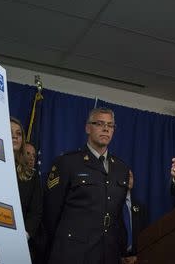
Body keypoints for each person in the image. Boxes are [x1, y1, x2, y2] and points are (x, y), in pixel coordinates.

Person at [44, 107, 129, 264]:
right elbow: (51, 212)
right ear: (87, 128)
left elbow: (118, 215)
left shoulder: (121, 168)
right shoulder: (68, 162)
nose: (105, 129)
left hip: (108, 253)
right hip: (73, 253)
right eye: (100, 123)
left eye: (110, 126)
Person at [10, 117, 43, 262]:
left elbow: (36, 211)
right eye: (10, 132)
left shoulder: (32, 176)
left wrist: (24, 235)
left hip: (19, 243)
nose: (14, 136)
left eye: (18, 133)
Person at [119, 170, 146, 264]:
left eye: (130, 176)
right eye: (125, 176)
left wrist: (138, 256)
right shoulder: (111, 205)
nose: (128, 179)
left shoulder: (140, 207)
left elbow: (144, 234)